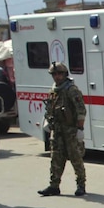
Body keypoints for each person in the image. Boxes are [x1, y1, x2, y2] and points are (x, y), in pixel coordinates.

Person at [38, 62, 86, 197]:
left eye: (59, 74)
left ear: (65, 74)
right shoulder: (54, 90)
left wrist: (80, 128)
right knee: (56, 158)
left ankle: (81, 184)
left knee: (75, 157)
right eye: (54, 74)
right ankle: (54, 185)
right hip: (57, 129)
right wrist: (48, 121)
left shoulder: (72, 90)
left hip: (70, 129)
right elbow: (50, 107)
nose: (57, 77)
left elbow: (81, 110)